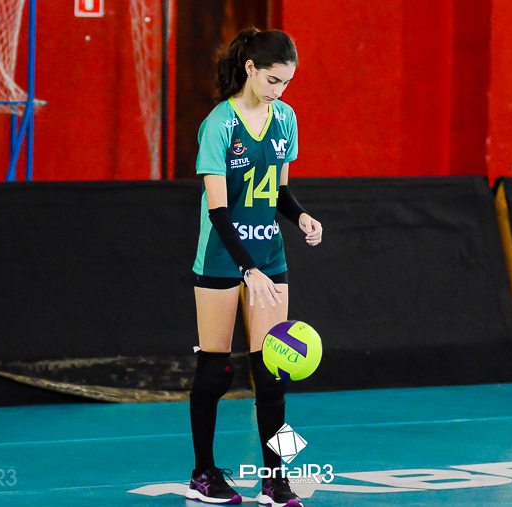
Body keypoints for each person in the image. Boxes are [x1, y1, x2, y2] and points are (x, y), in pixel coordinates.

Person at [185, 27, 322, 507]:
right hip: (223, 258)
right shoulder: (219, 125)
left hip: (269, 257)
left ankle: (276, 479)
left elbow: (279, 191)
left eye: (286, 82)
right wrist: (247, 269)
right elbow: (218, 211)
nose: (279, 91)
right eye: (272, 80)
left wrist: (301, 217)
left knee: (272, 373)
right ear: (250, 69)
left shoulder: (286, 118)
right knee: (216, 369)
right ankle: (203, 473)